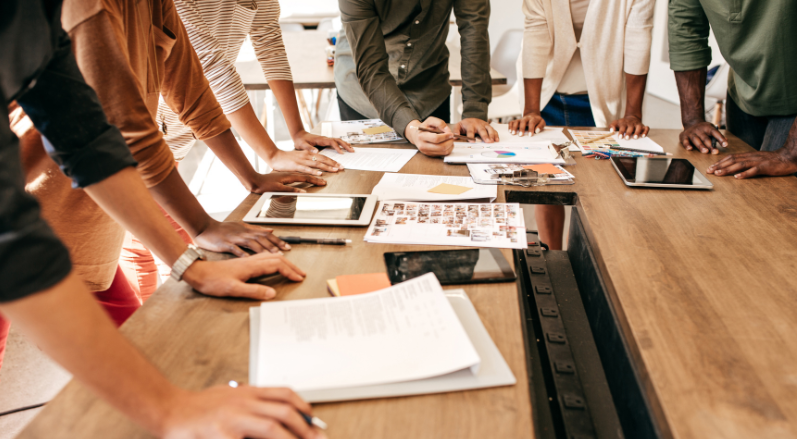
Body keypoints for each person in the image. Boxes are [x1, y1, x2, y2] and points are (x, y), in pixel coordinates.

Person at [0, 0, 326, 439]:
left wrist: (192, 260)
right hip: (30, 215)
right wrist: (167, 409)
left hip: (59, 224)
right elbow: (12, 229)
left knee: (153, 346)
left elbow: (86, 136)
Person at [53, 0, 326, 302]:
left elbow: (192, 88)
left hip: (127, 165)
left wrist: (252, 174)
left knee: (142, 279)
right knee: (147, 258)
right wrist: (197, 242)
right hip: (64, 190)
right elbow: (128, 124)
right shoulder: (89, 8)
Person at [509, 0, 654, 249]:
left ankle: (583, 263)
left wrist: (633, 113)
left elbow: (638, 38)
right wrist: (531, 109)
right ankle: (552, 258)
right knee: (547, 185)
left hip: (601, 96)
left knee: (597, 189)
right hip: (546, 93)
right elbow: (535, 34)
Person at [158, 0, 355, 178]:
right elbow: (212, 66)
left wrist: (297, 132)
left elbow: (270, 46)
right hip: (150, 126)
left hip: (181, 130)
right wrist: (272, 154)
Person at [335, 0, 499, 157]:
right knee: (366, 180)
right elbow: (372, 68)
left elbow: (474, 33)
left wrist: (474, 111)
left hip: (428, 89)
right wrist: (411, 127)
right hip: (364, 97)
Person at [668, 0, 797, 179]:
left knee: (776, 198)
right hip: (742, 94)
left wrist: (791, 152)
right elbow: (686, 28)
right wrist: (693, 120)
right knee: (734, 189)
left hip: (792, 100)